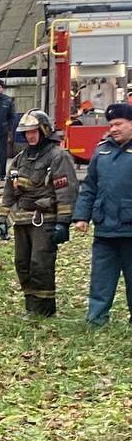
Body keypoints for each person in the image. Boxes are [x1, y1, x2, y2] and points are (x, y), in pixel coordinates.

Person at [0, 110, 78, 317]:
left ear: (44, 130)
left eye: (34, 132)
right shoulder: (20, 159)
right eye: (26, 133)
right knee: (22, 263)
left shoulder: (58, 156)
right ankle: (31, 306)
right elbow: (9, 190)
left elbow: (66, 190)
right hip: (22, 219)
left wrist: (63, 222)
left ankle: (44, 311)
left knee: (40, 263)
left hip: (45, 219)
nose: (30, 136)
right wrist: (3, 218)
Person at [73, 102, 132, 326]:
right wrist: (81, 216)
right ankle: (96, 319)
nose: (114, 128)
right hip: (105, 227)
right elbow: (89, 186)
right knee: (101, 278)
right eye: (111, 125)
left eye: (119, 124)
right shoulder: (102, 150)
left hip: (129, 228)